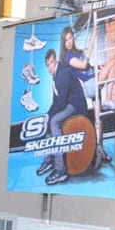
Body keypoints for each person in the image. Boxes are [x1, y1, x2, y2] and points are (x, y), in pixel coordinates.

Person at [34, 48, 92, 186]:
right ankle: (51, 157)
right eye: (47, 65)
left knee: (54, 121)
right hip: (67, 103)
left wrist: (50, 117)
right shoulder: (55, 76)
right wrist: (46, 116)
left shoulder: (64, 72)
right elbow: (56, 101)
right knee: (48, 120)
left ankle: (60, 170)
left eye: (51, 63)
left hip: (76, 105)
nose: (49, 68)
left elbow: (62, 100)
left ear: (56, 61)